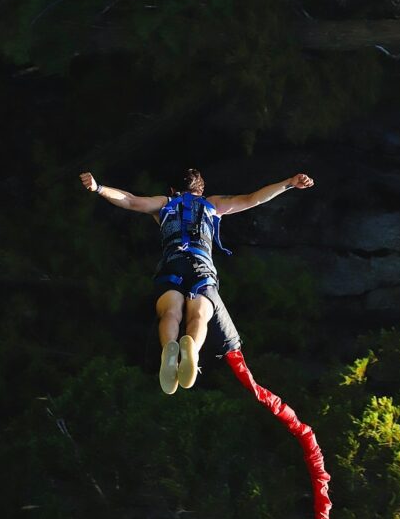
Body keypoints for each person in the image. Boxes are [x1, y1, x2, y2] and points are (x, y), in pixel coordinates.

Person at [79, 168, 314, 394]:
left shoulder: (164, 204)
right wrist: (289, 183)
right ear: (200, 190)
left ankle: (169, 347)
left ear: (173, 189)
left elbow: (129, 200)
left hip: (171, 265)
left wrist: (98, 187)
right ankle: (191, 346)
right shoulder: (212, 204)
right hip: (201, 268)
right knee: (199, 316)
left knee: (170, 313)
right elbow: (254, 199)